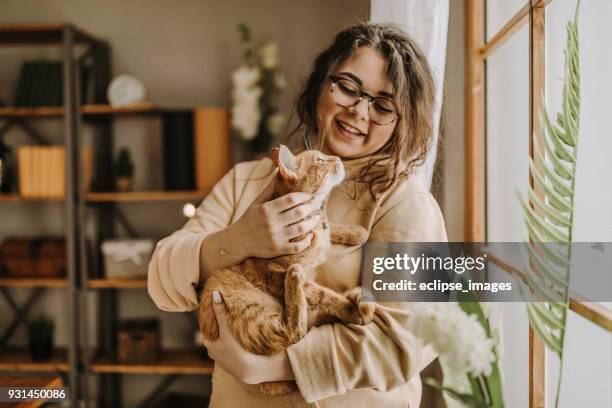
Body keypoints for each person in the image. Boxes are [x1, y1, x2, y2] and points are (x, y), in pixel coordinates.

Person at [148, 23, 447, 408]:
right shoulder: (248, 180)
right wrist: (239, 239)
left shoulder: (405, 202)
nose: (358, 110)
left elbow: (410, 336)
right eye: (348, 87)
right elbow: (161, 278)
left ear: (401, 121)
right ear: (323, 84)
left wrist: (273, 365)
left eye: (383, 104)